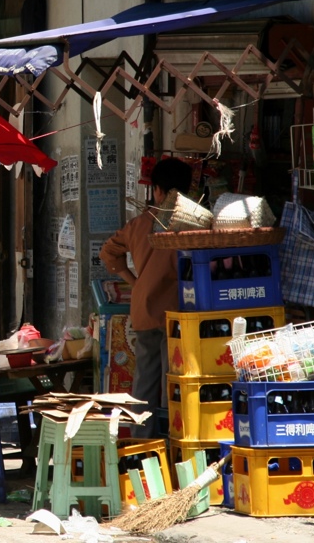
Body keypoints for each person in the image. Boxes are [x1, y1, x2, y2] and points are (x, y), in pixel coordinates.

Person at [100, 157, 194, 438]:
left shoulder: (140, 223)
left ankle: (143, 449)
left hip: (145, 309)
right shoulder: (192, 223)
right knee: (175, 382)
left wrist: (135, 281)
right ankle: (175, 444)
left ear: (158, 191)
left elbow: (108, 254)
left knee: (145, 383)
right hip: (180, 312)